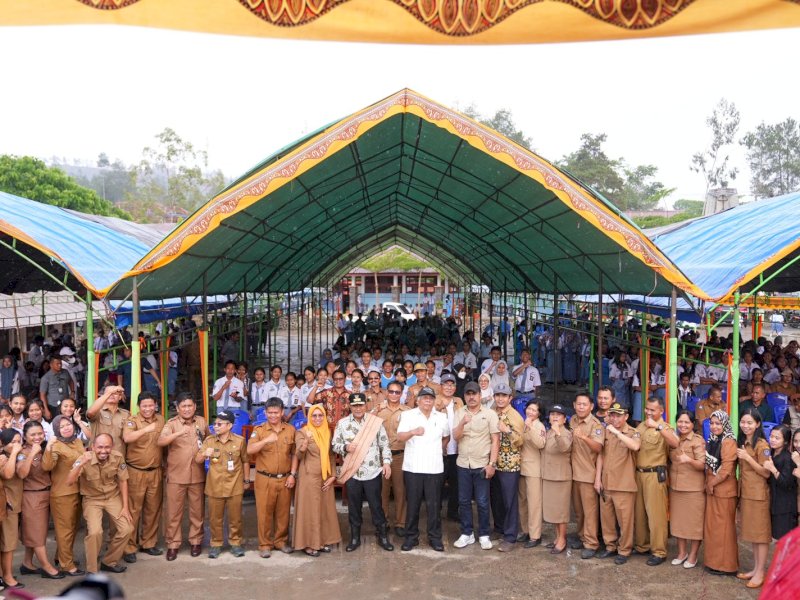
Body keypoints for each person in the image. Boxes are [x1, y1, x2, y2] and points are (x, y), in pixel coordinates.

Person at [332, 392, 393, 552]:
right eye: (354, 405)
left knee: (376, 506)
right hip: (353, 472)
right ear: (350, 406)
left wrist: (386, 462)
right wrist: (345, 447)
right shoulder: (342, 423)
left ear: (365, 406)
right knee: (354, 506)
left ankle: (382, 536)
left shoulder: (375, 423)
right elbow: (334, 445)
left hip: (372, 472)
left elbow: (384, 444)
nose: (358, 408)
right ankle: (354, 538)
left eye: (360, 405)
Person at [66, 433, 133, 574]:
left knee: (127, 528)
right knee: (95, 532)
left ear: (112, 447)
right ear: (93, 447)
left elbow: (123, 481)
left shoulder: (117, 457)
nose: (104, 451)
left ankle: (109, 561)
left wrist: (125, 507)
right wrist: (81, 463)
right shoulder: (83, 458)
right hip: (92, 499)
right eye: (100, 447)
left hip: (112, 497)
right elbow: (69, 481)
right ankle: (92, 570)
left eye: (107, 447)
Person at [397, 386, 450, 552]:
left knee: (434, 506)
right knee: (412, 504)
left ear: (434, 401)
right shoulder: (408, 415)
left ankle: (435, 538)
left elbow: (446, 436)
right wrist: (413, 431)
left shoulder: (441, 417)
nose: (427, 400)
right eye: (424, 397)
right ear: (418, 400)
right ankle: (411, 537)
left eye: (430, 398)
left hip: (434, 467)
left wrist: (438, 450)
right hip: (413, 466)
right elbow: (400, 436)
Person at [158, 392, 208, 561]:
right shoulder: (171, 423)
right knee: (173, 512)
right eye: (183, 406)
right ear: (178, 408)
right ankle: (173, 544)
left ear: (195, 407)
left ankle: (196, 541)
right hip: (176, 475)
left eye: (190, 406)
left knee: (197, 511)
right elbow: (161, 441)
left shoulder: (201, 421)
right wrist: (177, 434)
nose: (187, 409)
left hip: (197, 474)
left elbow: (207, 440)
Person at [451, 380, 500, 551]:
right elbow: (455, 437)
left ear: (480, 396)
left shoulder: (490, 414)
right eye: (468, 394)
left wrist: (492, 464)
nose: (471, 397)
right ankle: (467, 533)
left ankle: (484, 534)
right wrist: (462, 423)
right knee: (463, 501)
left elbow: (495, 441)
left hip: (482, 464)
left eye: (474, 394)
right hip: (463, 463)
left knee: (482, 501)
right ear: (464, 396)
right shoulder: (459, 412)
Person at [246, 397, 297, 558]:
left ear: (282, 412)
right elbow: (250, 450)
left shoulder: (290, 430)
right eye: (270, 413)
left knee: (283, 513)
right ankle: (265, 544)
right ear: (265, 413)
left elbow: (295, 454)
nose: (273, 416)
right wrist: (266, 440)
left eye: (276, 412)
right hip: (264, 478)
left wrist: (293, 475)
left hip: (285, 478)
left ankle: (280, 541)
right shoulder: (259, 430)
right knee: (264, 513)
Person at [196, 410, 249, 558]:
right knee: (215, 518)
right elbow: (197, 460)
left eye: (220, 424)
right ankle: (216, 544)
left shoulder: (239, 441)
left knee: (235, 517)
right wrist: (205, 453)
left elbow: (245, 461)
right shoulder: (209, 441)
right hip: (214, 486)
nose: (216, 426)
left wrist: (246, 480)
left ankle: (235, 543)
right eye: (215, 423)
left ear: (230, 425)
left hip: (235, 486)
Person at [15, 421, 63, 580]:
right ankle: (47, 567)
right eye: (33, 434)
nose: (37, 437)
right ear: (25, 436)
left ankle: (27, 564)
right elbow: (22, 473)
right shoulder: (22, 452)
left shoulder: (45, 448)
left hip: (47, 494)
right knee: (37, 534)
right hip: (32, 496)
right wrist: (31, 454)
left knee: (37, 532)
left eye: (40, 433)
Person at [121, 391, 165, 563]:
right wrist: (146, 429)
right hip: (135, 471)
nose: (148, 409)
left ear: (156, 405)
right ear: (139, 407)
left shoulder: (161, 419)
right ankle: (129, 547)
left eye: (151, 405)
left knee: (153, 509)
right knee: (133, 511)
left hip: (155, 471)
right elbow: (127, 437)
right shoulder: (132, 420)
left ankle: (148, 543)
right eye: (144, 406)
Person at [634, 397, 678, 566]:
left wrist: (658, 427)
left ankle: (659, 551)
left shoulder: (665, 427)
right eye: (647, 409)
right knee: (640, 513)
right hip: (639, 474)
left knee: (656, 515)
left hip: (655, 475)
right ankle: (642, 546)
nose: (649, 412)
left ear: (661, 411)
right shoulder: (641, 425)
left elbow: (675, 442)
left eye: (653, 410)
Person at [292, 404, 341, 556]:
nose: (318, 418)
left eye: (320, 415)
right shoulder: (302, 431)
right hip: (308, 476)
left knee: (324, 509)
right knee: (310, 510)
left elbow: (331, 456)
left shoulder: (327, 432)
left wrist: (333, 475)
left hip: (325, 476)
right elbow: (298, 455)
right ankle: (308, 544)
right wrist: (305, 443)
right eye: (314, 415)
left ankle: (321, 541)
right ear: (309, 417)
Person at [596, 403, 641, 565]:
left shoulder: (632, 432)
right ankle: (610, 547)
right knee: (607, 519)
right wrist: (597, 478)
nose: (615, 419)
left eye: (618, 416)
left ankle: (624, 549)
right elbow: (601, 455)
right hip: (607, 481)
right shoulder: (606, 432)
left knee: (625, 520)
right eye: (612, 415)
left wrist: (617, 432)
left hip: (624, 484)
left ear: (626, 417)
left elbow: (635, 446)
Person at [41, 415, 86, 577]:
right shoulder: (56, 445)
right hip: (62, 494)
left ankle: (62, 557)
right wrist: (48, 448)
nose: (67, 428)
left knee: (73, 527)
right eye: (62, 426)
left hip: (79, 490)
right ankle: (67, 565)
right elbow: (47, 466)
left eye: (68, 424)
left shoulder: (77, 441)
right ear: (56, 430)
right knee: (65, 529)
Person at [735, 408, 771, 588]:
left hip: (759, 496)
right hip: (747, 494)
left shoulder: (762, 445)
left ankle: (761, 572)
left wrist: (748, 459)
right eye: (743, 422)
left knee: (761, 536)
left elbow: (766, 472)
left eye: (750, 422)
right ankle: (756, 569)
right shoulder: (744, 442)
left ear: (757, 424)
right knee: (753, 536)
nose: (745, 425)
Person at [569, 391, 605, 558]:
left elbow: (598, 448)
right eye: (578, 404)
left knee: (590, 511)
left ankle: (591, 543)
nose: (581, 407)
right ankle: (582, 536)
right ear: (574, 405)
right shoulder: (572, 420)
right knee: (578, 511)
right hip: (573, 473)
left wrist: (584, 437)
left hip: (587, 474)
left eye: (584, 404)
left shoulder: (596, 425)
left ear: (591, 406)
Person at [668, 410, 706, 569]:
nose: (683, 425)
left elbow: (702, 464)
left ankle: (693, 555)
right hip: (676, 487)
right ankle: (682, 553)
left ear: (692, 425)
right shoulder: (673, 440)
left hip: (693, 489)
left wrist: (689, 460)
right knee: (678, 523)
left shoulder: (697, 441)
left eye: (686, 422)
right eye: (680, 422)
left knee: (694, 524)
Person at [703, 410, 739, 576]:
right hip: (714, 489)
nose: (715, 426)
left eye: (718, 423)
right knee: (714, 528)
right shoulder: (713, 440)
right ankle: (714, 563)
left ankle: (727, 566)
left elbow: (726, 470)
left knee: (724, 530)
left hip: (724, 490)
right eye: (712, 423)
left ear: (725, 424)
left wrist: (712, 482)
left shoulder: (728, 441)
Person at [490, 382, 524, 552]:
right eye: (498, 395)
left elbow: (521, 440)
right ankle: (499, 528)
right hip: (494, 462)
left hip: (510, 464)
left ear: (510, 398)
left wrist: (507, 431)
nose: (500, 399)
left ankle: (510, 536)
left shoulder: (515, 416)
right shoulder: (492, 411)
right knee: (496, 498)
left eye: (504, 396)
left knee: (509, 501)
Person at [377, 380, 411, 537]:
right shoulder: (379, 410)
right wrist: (376, 409)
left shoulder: (408, 412)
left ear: (402, 393)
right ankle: (383, 522)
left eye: (397, 392)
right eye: (391, 391)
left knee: (400, 491)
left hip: (400, 455)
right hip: (381, 456)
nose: (394, 395)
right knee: (382, 492)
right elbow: (367, 425)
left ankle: (400, 522)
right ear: (386, 392)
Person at [542, 404, 572, 555]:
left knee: (561, 511)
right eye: (552, 414)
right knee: (553, 510)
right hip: (549, 475)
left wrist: (558, 433)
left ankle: (562, 539)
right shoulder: (548, 432)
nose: (554, 417)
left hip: (561, 477)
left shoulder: (565, 433)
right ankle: (557, 537)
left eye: (558, 415)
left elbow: (564, 448)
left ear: (564, 419)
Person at [517, 399, 545, 548]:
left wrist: (530, 428)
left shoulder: (539, 426)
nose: (530, 412)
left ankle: (535, 535)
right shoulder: (523, 423)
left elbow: (540, 444)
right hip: (521, 467)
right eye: (529, 409)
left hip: (533, 469)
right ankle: (525, 530)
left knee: (534, 503)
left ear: (539, 413)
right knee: (522, 501)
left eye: (534, 410)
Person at [764, 424, 797, 541]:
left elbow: (786, 483)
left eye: (777, 438)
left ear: (786, 441)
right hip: (775, 503)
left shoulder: (788, 458)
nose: (772, 440)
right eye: (771, 436)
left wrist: (773, 469)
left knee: (785, 542)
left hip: (785, 507)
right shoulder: (770, 454)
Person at [0, 428, 24, 588]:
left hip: (13, 505)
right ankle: (7, 577)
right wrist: (14, 454)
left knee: (9, 543)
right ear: (3, 444)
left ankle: (4, 575)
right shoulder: (2, 458)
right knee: (8, 543)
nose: (16, 445)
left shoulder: (14, 457)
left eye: (18, 441)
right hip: (5, 506)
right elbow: (8, 475)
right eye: (12, 442)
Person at [87, 385, 129, 454]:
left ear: (120, 397)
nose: (111, 395)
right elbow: (90, 412)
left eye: (115, 393)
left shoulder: (126, 414)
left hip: (118, 458)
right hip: (99, 457)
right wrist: (111, 392)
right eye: (109, 393)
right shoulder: (98, 412)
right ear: (103, 396)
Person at [39, 355, 73, 420]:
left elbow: (71, 381)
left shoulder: (65, 372)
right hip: (53, 406)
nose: (60, 365)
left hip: (65, 404)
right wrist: (46, 410)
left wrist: (72, 392)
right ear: (51, 365)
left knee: (66, 421)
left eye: (60, 363)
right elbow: (42, 395)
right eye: (57, 364)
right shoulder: (46, 378)